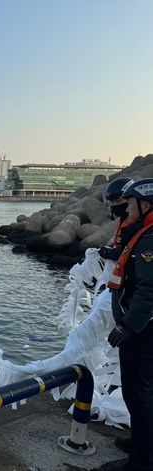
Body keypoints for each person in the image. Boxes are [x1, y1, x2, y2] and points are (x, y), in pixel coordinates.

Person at [107, 178, 153, 470]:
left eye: (131, 203)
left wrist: (128, 326)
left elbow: (148, 290)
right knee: (136, 391)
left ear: (145, 204)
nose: (127, 208)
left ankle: (142, 460)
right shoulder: (143, 234)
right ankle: (140, 442)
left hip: (143, 331)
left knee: (140, 392)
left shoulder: (149, 241)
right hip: (140, 328)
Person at [98, 177, 134, 260]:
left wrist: (110, 253)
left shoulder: (139, 223)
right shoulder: (124, 220)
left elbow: (135, 250)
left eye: (118, 201)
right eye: (112, 202)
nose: (114, 205)